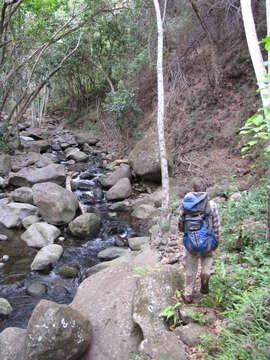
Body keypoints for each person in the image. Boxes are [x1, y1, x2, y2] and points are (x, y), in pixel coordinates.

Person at [178, 177, 221, 304]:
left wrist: (184, 234)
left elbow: (180, 223)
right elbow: (217, 225)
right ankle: (205, 275)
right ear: (206, 190)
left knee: (190, 267)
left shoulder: (185, 203)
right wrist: (216, 241)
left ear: (193, 189)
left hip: (191, 243)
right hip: (207, 241)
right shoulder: (212, 205)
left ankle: (188, 295)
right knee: (207, 257)